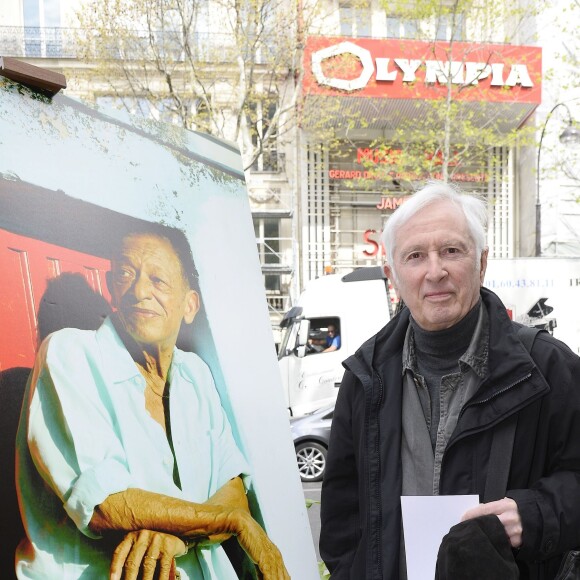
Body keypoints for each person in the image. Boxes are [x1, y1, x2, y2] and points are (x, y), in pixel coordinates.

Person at [320, 181, 580, 579]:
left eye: (452, 251)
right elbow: (342, 519)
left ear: (481, 262)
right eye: (415, 256)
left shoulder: (547, 367)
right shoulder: (366, 378)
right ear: (392, 274)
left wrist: (532, 515)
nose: (435, 271)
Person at [16, 225, 289, 580]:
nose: (139, 291)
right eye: (126, 274)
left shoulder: (195, 374)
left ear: (189, 305)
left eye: (158, 280)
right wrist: (229, 522)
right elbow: (106, 502)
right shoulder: (70, 355)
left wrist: (177, 539)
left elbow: (232, 492)